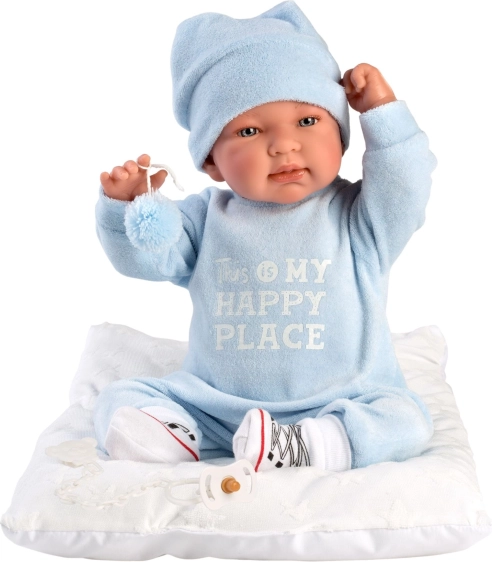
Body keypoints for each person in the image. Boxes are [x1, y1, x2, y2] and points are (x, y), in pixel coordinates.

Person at [93, 1, 436, 472]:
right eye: (250, 130)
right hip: (214, 405)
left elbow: (405, 185)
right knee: (123, 396)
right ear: (212, 160)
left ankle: (309, 444)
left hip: (340, 399)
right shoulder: (205, 219)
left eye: (308, 121)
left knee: (405, 420)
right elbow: (147, 255)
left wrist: (382, 112)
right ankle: (168, 433)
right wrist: (128, 209)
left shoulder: (361, 217)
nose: (284, 144)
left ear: (340, 132)